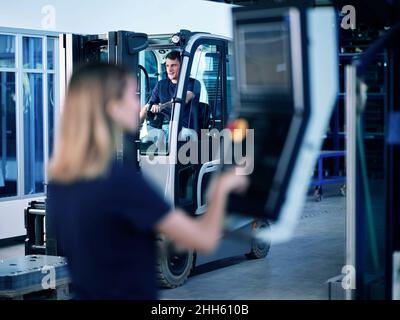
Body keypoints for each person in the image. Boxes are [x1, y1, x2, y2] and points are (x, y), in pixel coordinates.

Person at [47, 63, 248, 300]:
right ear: (113, 107)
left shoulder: (61, 180)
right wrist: (221, 188)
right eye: (131, 96)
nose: (137, 104)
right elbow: (203, 240)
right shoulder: (120, 182)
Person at [139, 50, 198, 129]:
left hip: (185, 129)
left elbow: (182, 100)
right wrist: (136, 128)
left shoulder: (192, 83)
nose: (169, 69)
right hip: (164, 127)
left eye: (173, 65)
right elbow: (147, 107)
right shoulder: (161, 84)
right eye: (167, 66)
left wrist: (162, 106)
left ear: (183, 66)